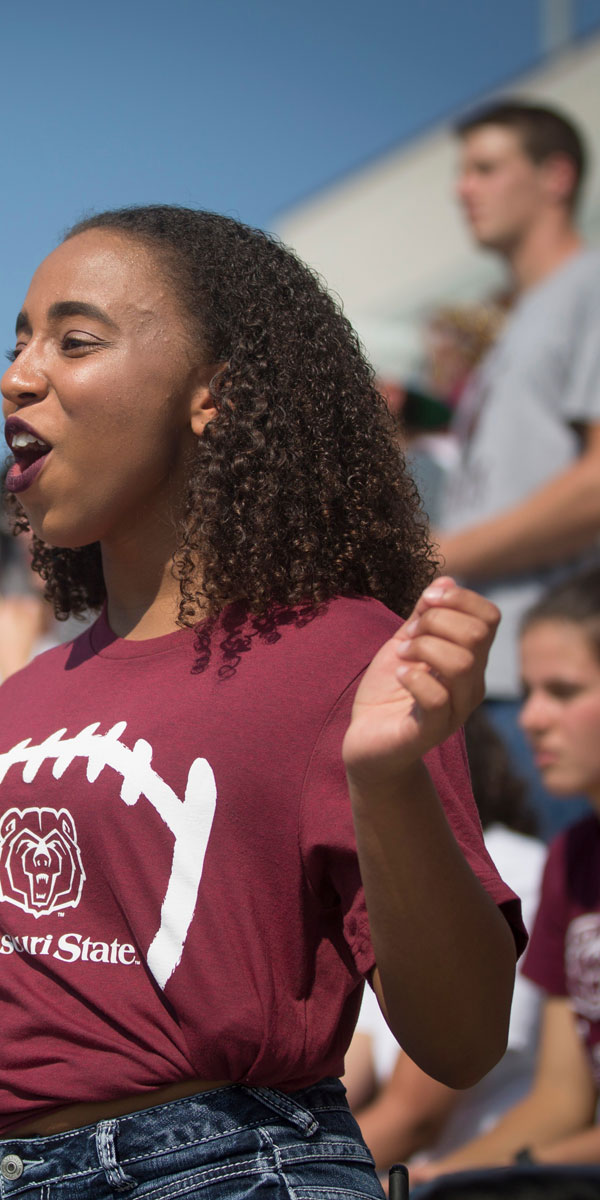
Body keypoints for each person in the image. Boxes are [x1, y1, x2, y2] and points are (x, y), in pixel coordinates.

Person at [0, 206, 523, 1200]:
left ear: (216, 394)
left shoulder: (344, 649)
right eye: (18, 343)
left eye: (75, 341)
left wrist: (387, 785)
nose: (18, 375)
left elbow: (461, 1039)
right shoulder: (20, 702)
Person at [435, 100, 600, 838]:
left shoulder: (590, 285)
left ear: (556, 176)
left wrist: (438, 555)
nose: (462, 188)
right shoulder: (521, 320)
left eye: (486, 168)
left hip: (557, 690)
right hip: (492, 683)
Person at [414, 565, 600, 1180]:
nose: (531, 718)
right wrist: (429, 1183)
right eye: (527, 691)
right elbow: (559, 1100)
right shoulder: (571, 859)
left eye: (564, 691)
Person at [348, 712, 546, 1167]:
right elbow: (347, 1073)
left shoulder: (517, 868)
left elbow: (414, 1116)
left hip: (472, 1183)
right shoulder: (375, 885)